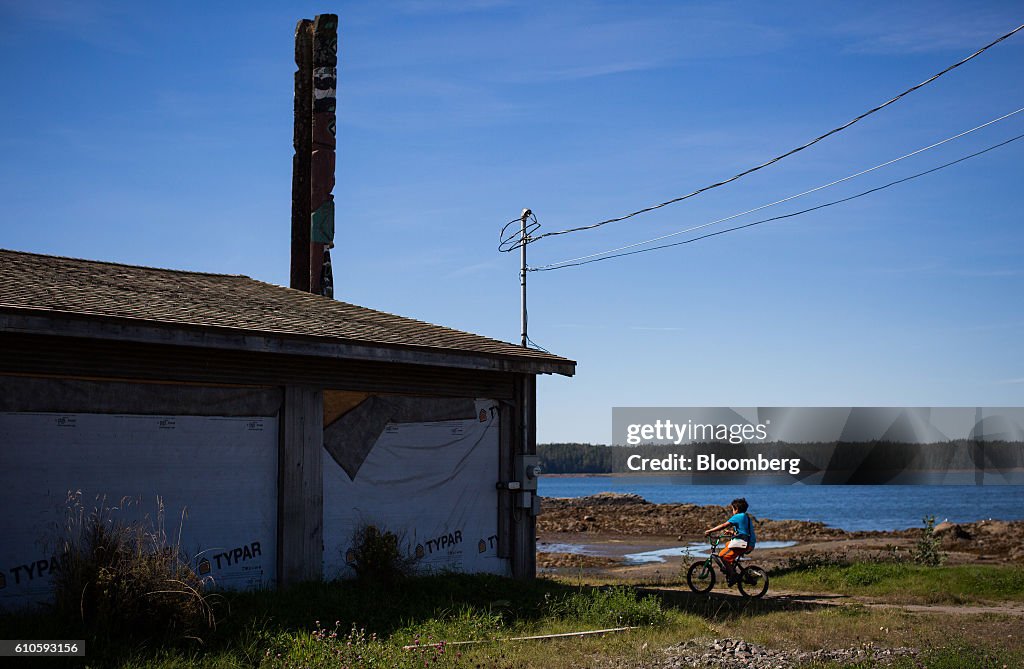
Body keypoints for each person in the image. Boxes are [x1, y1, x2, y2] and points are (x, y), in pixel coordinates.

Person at [704, 498, 756, 585]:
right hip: (749, 543)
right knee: (727, 544)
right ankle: (731, 569)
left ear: (736, 509)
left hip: (743, 544)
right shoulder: (746, 517)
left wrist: (710, 531)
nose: (732, 511)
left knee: (722, 556)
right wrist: (732, 532)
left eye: (732, 509)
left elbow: (724, 525)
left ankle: (733, 575)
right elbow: (744, 532)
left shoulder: (738, 516)